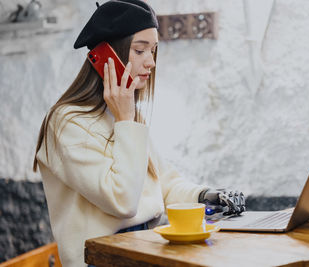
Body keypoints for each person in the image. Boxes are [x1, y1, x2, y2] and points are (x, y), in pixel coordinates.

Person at [32, 1, 245, 266]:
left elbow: (162, 183)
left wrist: (208, 196)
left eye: (153, 50)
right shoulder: (66, 122)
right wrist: (125, 119)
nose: (151, 62)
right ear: (108, 56)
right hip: (100, 259)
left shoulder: (126, 117)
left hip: (144, 248)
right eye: (140, 50)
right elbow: (122, 202)